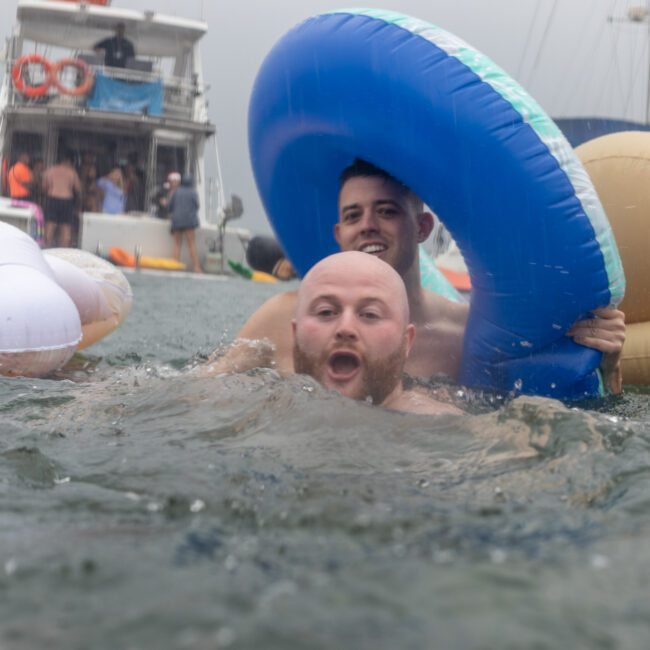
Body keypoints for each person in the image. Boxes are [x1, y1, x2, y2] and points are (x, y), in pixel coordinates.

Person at [205, 159, 626, 393]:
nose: (367, 225)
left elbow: (551, 408)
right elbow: (199, 392)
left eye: (386, 211)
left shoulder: (469, 337)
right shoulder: (283, 319)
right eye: (353, 216)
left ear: (422, 228)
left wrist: (604, 368)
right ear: (339, 234)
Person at [293, 251, 461, 414]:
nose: (345, 328)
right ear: (295, 334)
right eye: (326, 312)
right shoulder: (270, 409)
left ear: (406, 342)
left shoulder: (440, 426)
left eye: (370, 314)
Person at [42, 151, 82, 248]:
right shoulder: (72, 172)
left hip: (53, 199)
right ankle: (63, 252)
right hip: (66, 201)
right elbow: (78, 189)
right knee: (65, 228)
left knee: (50, 226)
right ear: (68, 161)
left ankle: (46, 249)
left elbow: (44, 188)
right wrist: (78, 205)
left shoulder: (50, 171)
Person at [168, 174, 202, 273]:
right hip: (190, 221)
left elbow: (169, 207)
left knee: (177, 244)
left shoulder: (176, 192)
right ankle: (196, 267)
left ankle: (175, 266)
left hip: (177, 221)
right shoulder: (193, 193)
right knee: (191, 244)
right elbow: (197, 206)